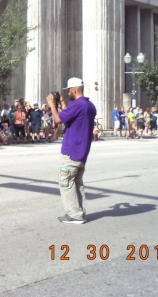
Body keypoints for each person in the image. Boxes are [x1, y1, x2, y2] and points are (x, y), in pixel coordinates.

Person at [47, 77, 97, 225]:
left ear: (74, 90)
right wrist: (62, 103)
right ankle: (80, 212)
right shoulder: (89, 105)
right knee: (76, 183)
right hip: (82, 152)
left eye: (69, 91)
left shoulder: (77, 105)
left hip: (71, 151)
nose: (68, 93)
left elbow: (57, 120)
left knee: (66, 182)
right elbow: (70, 117)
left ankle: (74, 215)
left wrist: (52, 105)